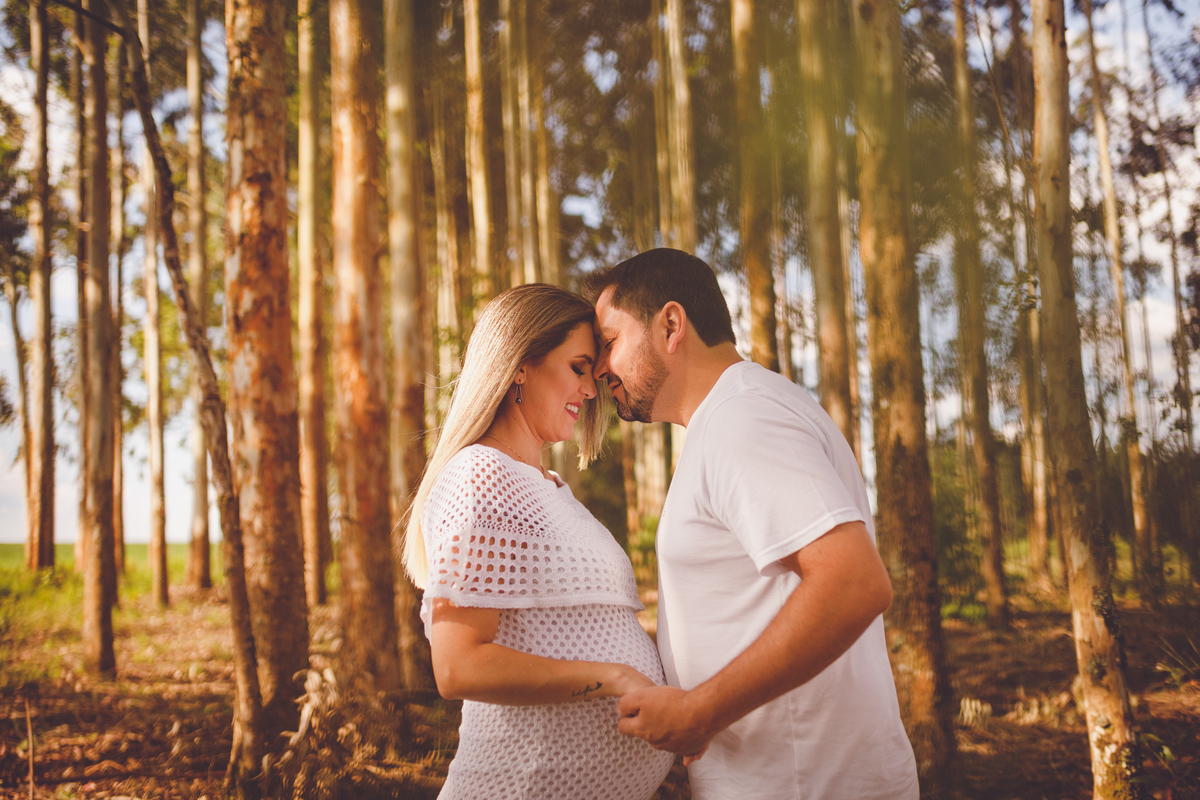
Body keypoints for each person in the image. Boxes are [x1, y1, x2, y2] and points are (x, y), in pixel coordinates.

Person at [583, 248, 920, 800]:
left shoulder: (744, 418)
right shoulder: (734, 415)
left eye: (611, 342)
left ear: (671, 325)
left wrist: (700, 710)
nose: (600, 369)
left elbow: (854, 582)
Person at [403, 284, 674, 800]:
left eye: (594, 375)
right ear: (520, 364)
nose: (591, 391)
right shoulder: (481, 476)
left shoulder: (548, 489)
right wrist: (614, 677)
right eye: (578, 368)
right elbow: (458, 667)